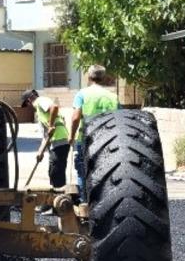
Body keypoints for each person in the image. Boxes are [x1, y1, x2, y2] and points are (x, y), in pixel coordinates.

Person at [69, 64, 118, 199]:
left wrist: (71, 137)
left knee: (82, 173)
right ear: (104, 78)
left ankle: (85, 203)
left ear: (89, 77)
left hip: (87, 139)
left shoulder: (82, 94)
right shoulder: (112, 96)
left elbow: (75, 118)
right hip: (109, 139)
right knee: (107, 172)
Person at [21, 88, 70, 192]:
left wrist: (51, 125)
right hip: (55, 142)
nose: (29, 107)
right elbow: (46, 135)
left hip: (59, 140)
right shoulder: (40, 113)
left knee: (56, 172)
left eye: (27, 104)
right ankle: (53, 199)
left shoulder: (40, 101)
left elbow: (54, 107)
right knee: (53, 172)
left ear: (29, 100)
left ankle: (59, 201)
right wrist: (40, 151)